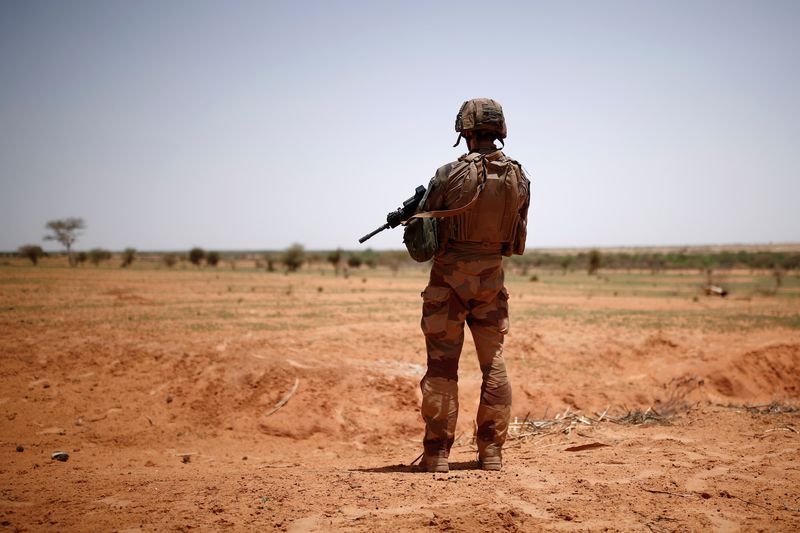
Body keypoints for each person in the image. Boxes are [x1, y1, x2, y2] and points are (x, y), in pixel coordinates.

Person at [415, 98, 530, 473]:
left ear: (464, 130)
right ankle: (491, 452)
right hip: (491, 283)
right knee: (494, 365)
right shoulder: (520, 177)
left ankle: (437, 455)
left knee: (442, 368)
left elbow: (423, 237)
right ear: (499, 130)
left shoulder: (448, 173)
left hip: (448, 284)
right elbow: (517, 239)